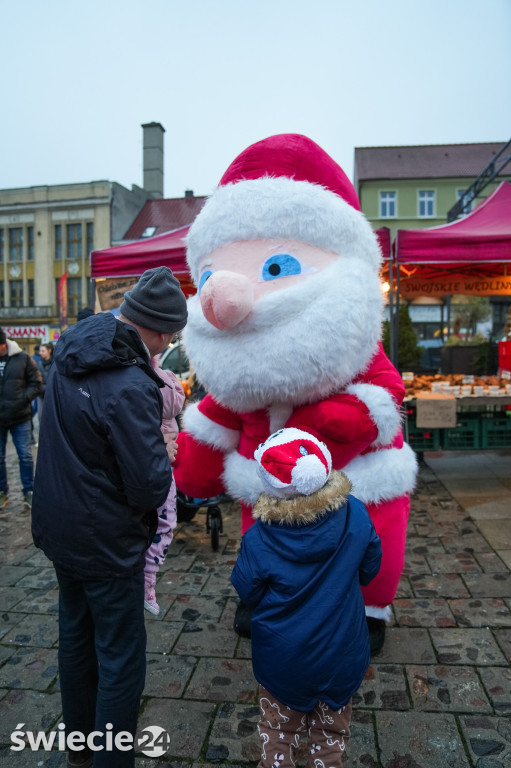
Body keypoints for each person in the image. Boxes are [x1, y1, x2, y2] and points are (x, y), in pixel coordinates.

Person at [173, 134, 417, 652]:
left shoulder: (361, 354)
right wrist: (194, 457)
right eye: (211, 275)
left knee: (370, 537)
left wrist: (322, 427)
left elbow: (381, 395)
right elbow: (218, 413)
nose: (225, 299)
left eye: (276, 267)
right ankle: (264, 595)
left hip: (354, 479)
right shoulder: (240, 377)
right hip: (265, 486)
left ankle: (370, 606)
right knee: (262, 538)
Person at [31, 267, 187, 768]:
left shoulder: (70, 353)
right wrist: (165, 450)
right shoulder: (129, 383)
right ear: (160, 332)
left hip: (60, 528)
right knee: (120, 656)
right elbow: (147, 485)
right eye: (169, 337)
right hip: (107, 539)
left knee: (76, 639)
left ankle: (80, 749)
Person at [231, 428, 382, 768]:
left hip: (282, 659)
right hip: (342, 652)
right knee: (330, 738)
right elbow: (370, 565)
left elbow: (247, 589)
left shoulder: (259, 538)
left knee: (277, 732)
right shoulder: (355, 513)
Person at [143, 359, 185, 615]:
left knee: (159, 520)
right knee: (165, 521)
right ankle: (148, 578)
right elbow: (173, 404)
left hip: (158, 463)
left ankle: (147, 577)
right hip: (156, 464)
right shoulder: (159, 377)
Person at [0, 327, 42, 510]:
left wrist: (24, 400)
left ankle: (29, 492)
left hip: (20, 416)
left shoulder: (22, 358)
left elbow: (36, 382)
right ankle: (2, 493)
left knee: (24, 455)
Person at [36, 342, 55, 423]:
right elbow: (37, 379)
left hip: (52, 394)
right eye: (40, 351)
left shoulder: (55, 363)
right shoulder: (39, 364)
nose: (40, 353)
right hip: (41, 393)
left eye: (43, 351)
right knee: (41, 416)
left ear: (49, 350)